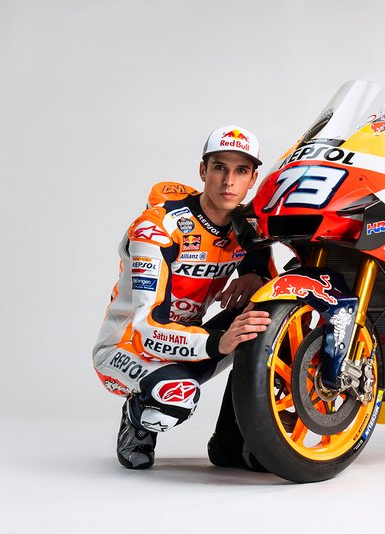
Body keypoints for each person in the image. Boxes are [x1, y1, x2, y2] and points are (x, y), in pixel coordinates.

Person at [92, 125, 274, 470]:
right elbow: (146, 327)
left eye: (241, 171)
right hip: (128, 345)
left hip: (187, 340)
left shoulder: (247, 228)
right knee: (177, 395)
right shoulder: (157, 227)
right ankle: (137, 415)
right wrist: (219, 342)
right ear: (203, 171)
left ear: (252, 179)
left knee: (266, 322)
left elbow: (267, 280)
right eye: (219, 167)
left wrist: (255, 276)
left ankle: (232, 444)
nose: (228, 181)